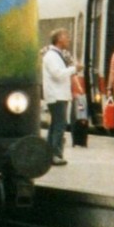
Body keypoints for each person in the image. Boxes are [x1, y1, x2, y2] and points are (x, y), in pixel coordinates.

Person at [43, 27, 80, 165]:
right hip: (56, 95)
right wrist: (74, 69)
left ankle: (48, 153)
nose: (68, 39)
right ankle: (55, 155)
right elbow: (57, 73)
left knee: (55, 125)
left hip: (59, 94)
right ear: (59, 39)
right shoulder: (51, 55)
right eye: (66, 37)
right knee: (60, 125)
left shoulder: (56, 54)